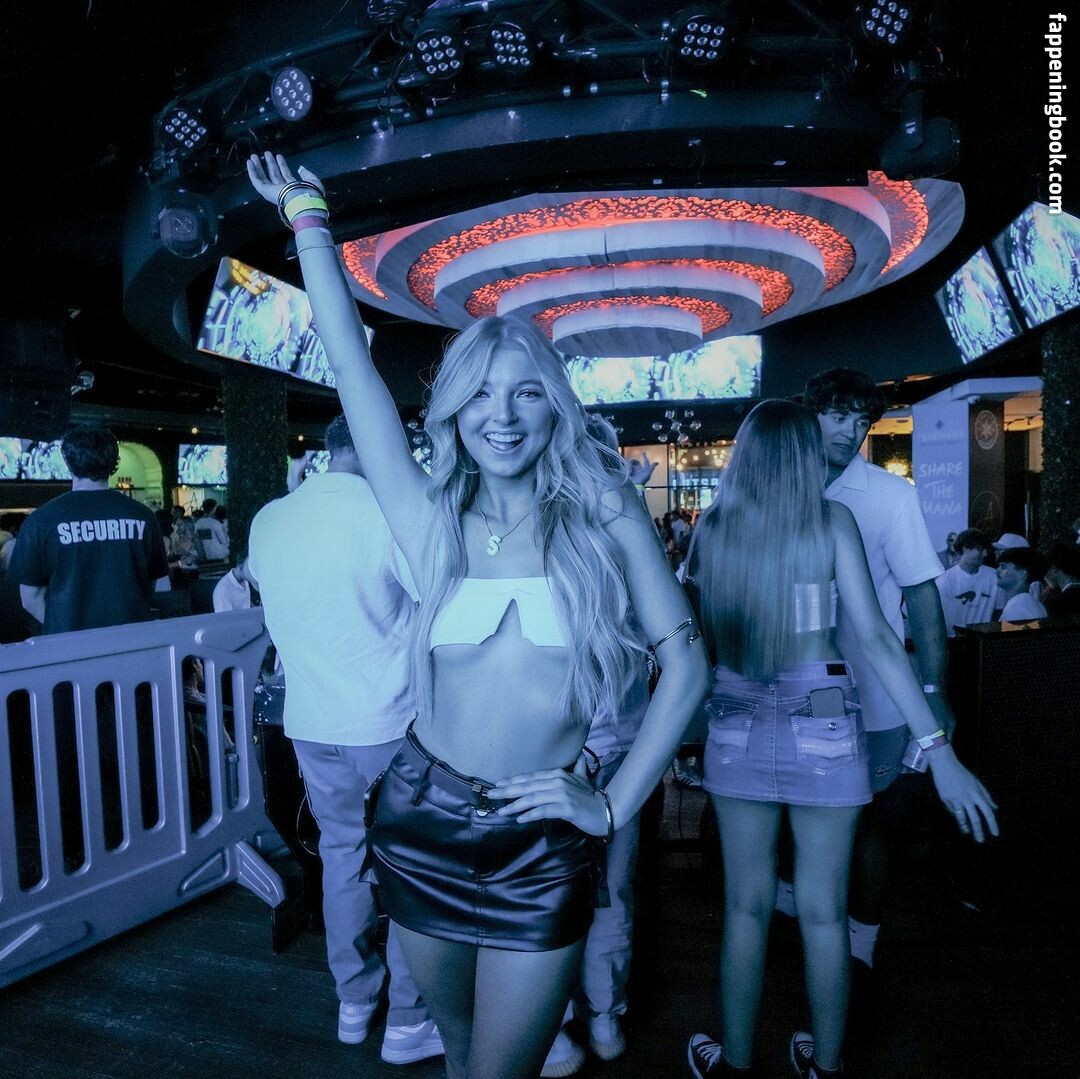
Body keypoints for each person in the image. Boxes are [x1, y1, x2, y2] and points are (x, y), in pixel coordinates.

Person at [247, 151, 710, 1079]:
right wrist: (307, 217)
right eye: (481, 393)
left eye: (527, 390)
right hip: (422, 818)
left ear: (555, 406)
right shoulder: (426, 520)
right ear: (453, 411)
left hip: (544, 839)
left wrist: (611, 803)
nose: (503, 415)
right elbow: (349, 362)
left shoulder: (603, 510)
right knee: (460, 1058)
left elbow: (688, 662)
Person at [684, 400, 998, 1079]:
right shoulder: (832, 522)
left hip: (735, 716)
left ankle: (734, 1065)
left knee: (745, 906)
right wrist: (938, 750)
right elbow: (878, 639)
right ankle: (825, 1065)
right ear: (805, 455)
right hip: (822, 718)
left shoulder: (713, 528)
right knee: (825, 913)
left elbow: (705, 640)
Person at [247, 414, 442, 1064]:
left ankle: (354, 1001)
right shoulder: (390, 514)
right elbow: (437, 599)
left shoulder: (271, 519)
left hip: (310, 721)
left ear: (328, 452)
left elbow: (260, 584)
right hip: (389, 723)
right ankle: (410, 1018)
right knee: (412, 864)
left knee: (342, 855)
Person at [776, 368, 959, 1006]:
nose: (850, 431)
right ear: (810, 414)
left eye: (861, 421)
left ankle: (860, 946)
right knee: (793, 812)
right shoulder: (776, 487)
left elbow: (923, 603)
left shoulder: (889, 495)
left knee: (874, 819)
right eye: (838, 415)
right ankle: (797, 923)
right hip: (788, 690)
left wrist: (933, 693)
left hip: (876, 693)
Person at [9, 425, 169, 634]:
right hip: (132, 639)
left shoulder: (40, 520)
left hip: (70, 644)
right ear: (114, 463)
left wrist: (64, 628)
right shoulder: (143, 516)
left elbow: (30, 598)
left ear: (68, 463)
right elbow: (154, 584)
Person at [937, 529, 1001, 634]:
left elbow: (999, 612)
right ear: (965, 548)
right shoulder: (944, 581)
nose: (985, 554)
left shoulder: (995, 577)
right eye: (980, 549)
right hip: (954, 640)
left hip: (985, 639)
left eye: (986, 550)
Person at [994, 548, 1047, 622]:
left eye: (1003, 567)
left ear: (1022, 574)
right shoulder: (1021, 604)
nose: (996, 571)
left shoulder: (1020, 608)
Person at [1042, 543, 1080, 616]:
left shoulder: (1056, 603)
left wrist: (1037, 603)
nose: (1044, 577)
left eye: (1044, 570)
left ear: (1054, 568)